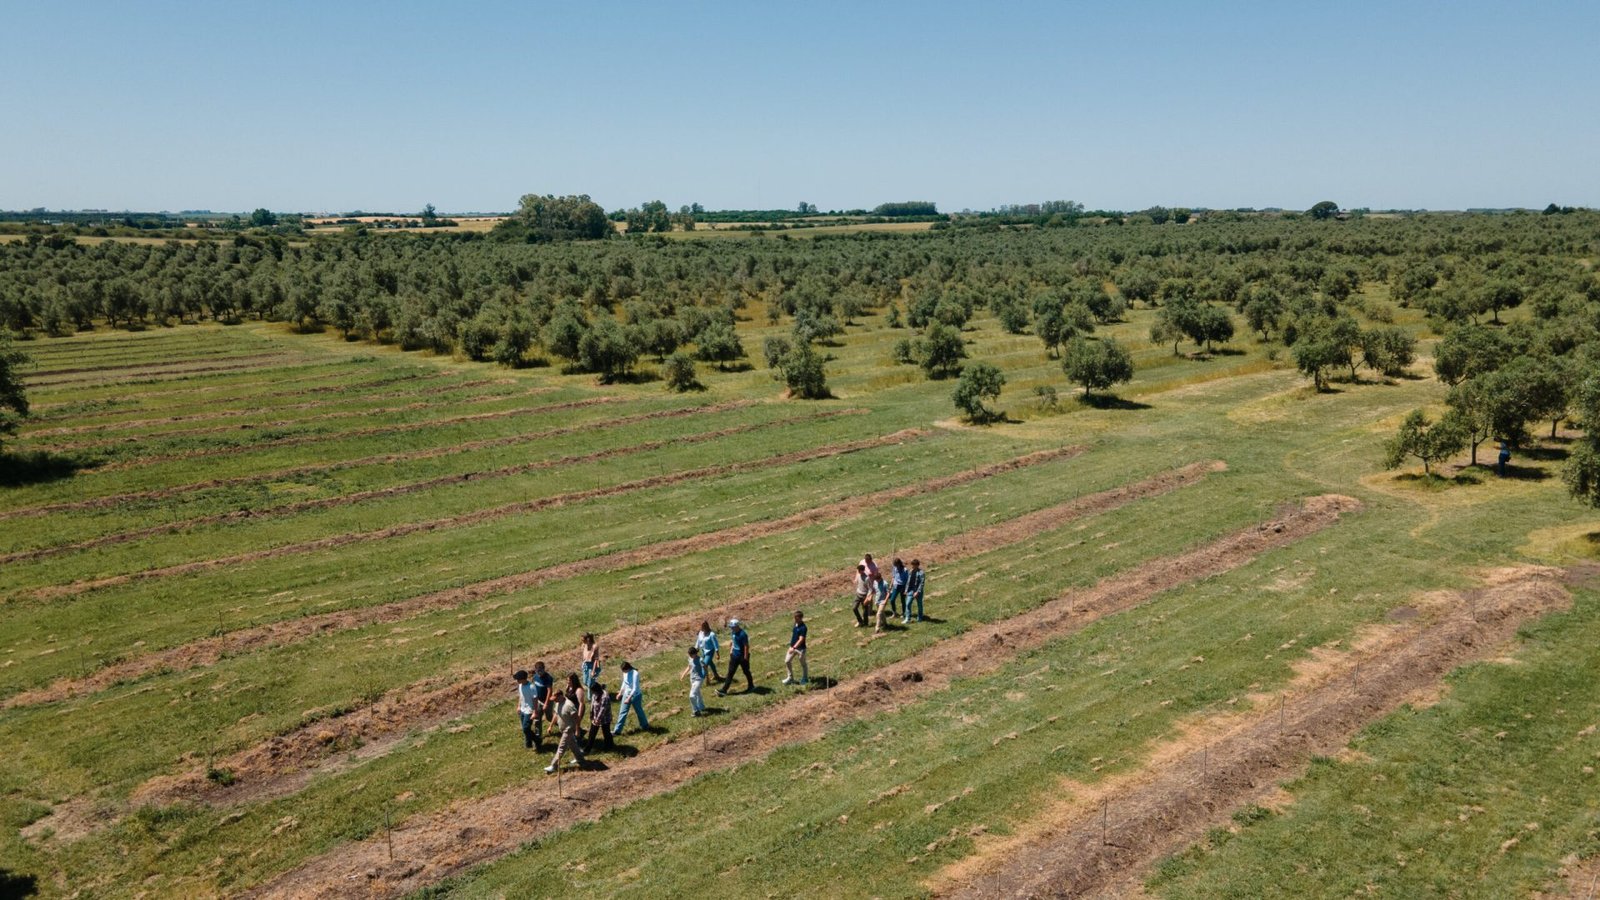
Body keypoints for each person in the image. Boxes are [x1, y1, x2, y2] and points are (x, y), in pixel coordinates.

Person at [545, 682, 585, 773]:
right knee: (573, 745)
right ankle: (580, 759)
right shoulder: (558, 703)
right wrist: (550, 726)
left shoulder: (569, 705)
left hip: (569, 729)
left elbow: (577, 718)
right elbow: (556, 714)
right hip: (563, 729)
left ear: (560, 696)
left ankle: (553, 765)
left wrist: (577, 729)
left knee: (561, 748)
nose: (554, 701)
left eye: (555, 699)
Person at [718, 618, 755, 695]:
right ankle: (724, 690)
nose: (731, 628)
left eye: (732, 626)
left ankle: (751, 686)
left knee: (746, 671)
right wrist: (731, 650)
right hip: (734, 656)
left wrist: (745, 657)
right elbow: (733, 641)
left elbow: (746, 646)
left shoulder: (743, 634)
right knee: (730, 672)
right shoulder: (733, 632)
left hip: (742, 657)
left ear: (737, 626)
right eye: (731, 626)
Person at [612, 661, 649, 734]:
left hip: (636, 695)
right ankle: (617, 731)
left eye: (624, 670)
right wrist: (620, 693)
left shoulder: (635, 673)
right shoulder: (624, 673)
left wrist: (629, 698)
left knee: (639, 711)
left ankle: (645, 726)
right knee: (622, 712)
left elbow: (635, 688)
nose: (624, 672)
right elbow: (624, 683)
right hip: (626, 694)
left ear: (628, 668)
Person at [583, 680, 614, 754]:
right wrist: (592, 715)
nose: (593, 693)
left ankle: (609, 746)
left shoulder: (605, 697)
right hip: (596, 718)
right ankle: (587, 749)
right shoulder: (595, 694)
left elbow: (602, 709)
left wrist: (597, 720)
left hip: (605, 718)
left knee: (606, 733)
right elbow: (593, 705)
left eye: (593, 691)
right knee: (592, 733)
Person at [529, 661, 555, 748]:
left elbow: (549, 691)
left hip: (547, 701)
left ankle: (561, 723)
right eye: (537, 671)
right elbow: (533, 687)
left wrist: (546, 704)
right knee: (537, 719)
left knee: (549, 717)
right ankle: (538, 739)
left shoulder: (548, 678)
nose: (539, 673)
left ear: (544, 669)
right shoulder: (535, 677)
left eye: (540, 670)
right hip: (538, 701)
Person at [514, 669, 539, 749]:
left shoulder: (531, 687)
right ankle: (528, 744)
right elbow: (521, 696)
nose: (517, 680)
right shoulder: (520, 686)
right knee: (524, 728)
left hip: (529, 710)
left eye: (518, 679)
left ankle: (537, 740)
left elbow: (535, 700)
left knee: (526, 728)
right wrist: (518, 706)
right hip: (522, 709)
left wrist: (535, 712)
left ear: (523, 679)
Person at [783, 610, 808, 685]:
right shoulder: (795, 624)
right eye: (794, 618)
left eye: (796, 618)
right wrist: (791, 646)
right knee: (787, 661)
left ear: (801, 618)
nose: (795, 619)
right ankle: (790, 678)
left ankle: (805, 678)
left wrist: (793, 648)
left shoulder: (803, 628)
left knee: (803, 664)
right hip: (792, 647)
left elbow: (801, 640)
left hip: (800, 649)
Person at [681, 646, 707, 716]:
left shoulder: (700, 660)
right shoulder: (690, 659)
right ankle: (701, 707)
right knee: (697, 693)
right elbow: (689, 666)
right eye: (689, 654)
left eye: (690, 654)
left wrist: (706, 676)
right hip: (692, 678)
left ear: (695, 654)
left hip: (698, 679)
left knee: (692, 696)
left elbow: (705, 667)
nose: (689, 656)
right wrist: (683, 674)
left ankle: (696, 711)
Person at [905, 559, 926, 623]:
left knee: (919, 605)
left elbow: (921, 583)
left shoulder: (921, 573)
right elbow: (908, 582)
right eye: (912, 565)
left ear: (917, 565)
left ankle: (920, 617)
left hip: (918, 591)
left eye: (913, 565)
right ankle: (907, 618)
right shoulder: (911, 572)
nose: (912, 567)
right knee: (908, 604)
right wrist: (906, 590)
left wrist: (917, 592)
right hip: (911, 590)